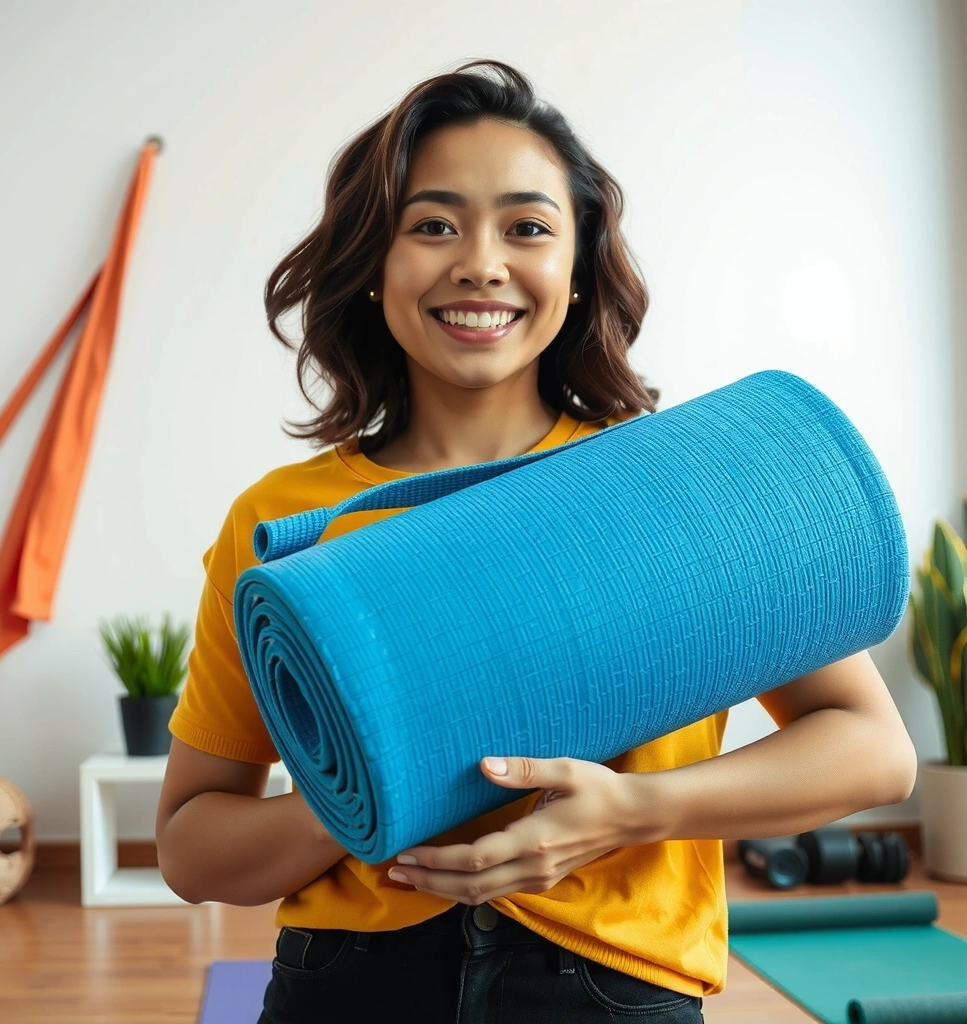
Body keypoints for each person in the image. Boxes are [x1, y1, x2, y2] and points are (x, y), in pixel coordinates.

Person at [155, 59, 918, 1024]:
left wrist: (632, 813)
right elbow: (188, 846)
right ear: (374, 263)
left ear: (576, 265)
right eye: (433, 225)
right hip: (351, 984)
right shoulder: (287, 523)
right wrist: (360, 797)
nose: (480, 261)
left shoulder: (673, 484)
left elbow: (872, 750)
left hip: (611, 986)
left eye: (528, 227)